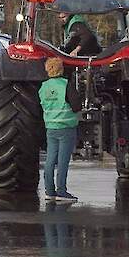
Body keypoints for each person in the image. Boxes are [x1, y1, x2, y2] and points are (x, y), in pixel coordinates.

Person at [39, 57, 83, 202]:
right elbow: (77, 106)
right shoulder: (66, 85)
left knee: (50, 160)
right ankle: (62, 191)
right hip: (66, 128)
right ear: (61, 69)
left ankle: (49, 191)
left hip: (50, 128)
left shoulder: (43, 87)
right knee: (63, 161)